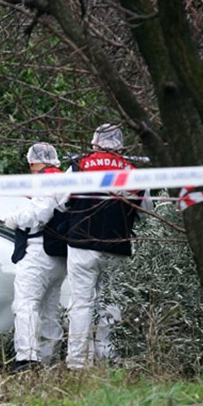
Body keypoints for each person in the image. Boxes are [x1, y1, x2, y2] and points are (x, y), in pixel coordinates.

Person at [62, 124, 140, 369]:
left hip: (81, 243)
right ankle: (106, 357)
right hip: (117, 245)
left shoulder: (78, 166)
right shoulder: (133, 172)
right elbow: (147, 211)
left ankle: (77, 362)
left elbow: (60, 201)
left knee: (81, 302)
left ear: (94, 143)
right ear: (121, 146)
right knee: (110, 302)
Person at [4, 143, 69, 370]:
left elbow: (39, 212)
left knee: (25, 304)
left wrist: (14, 217)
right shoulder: (64, 178)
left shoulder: (44, 179)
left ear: (32, 162)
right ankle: (50, 362)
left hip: (37, 251)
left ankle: (27, 359)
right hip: (59, 255)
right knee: (50, 309)